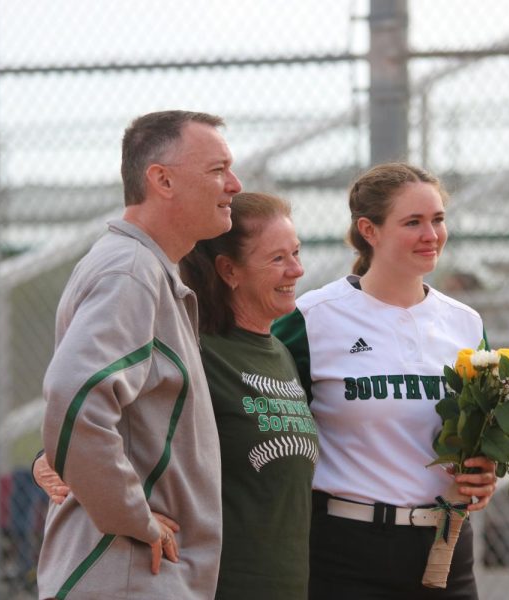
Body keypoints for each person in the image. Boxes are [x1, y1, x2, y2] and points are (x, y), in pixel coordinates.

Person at [35, 192, 318, 599]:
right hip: (214, 584)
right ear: (229, 271)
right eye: (277, 259)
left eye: (296, 252)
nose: (297, 269)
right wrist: (45, 463)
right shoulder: (199, 350)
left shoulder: (281, 353)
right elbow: (97, 414)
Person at [37, 109, 241, 599]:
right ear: (162, 179)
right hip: (125, 571)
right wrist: (133, 517)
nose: (233, 184)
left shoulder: (143, 267)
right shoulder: (130, 271)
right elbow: (75, 395)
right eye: (217, 170)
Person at [272, 162, 498, 600]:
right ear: (369, 230)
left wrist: (482, 473)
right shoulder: (313, 318)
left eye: (437, 219)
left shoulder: (465, 323)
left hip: (446, 548)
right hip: (344, 549)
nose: (431, 234)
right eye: (412, 222)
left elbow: (477, 434)